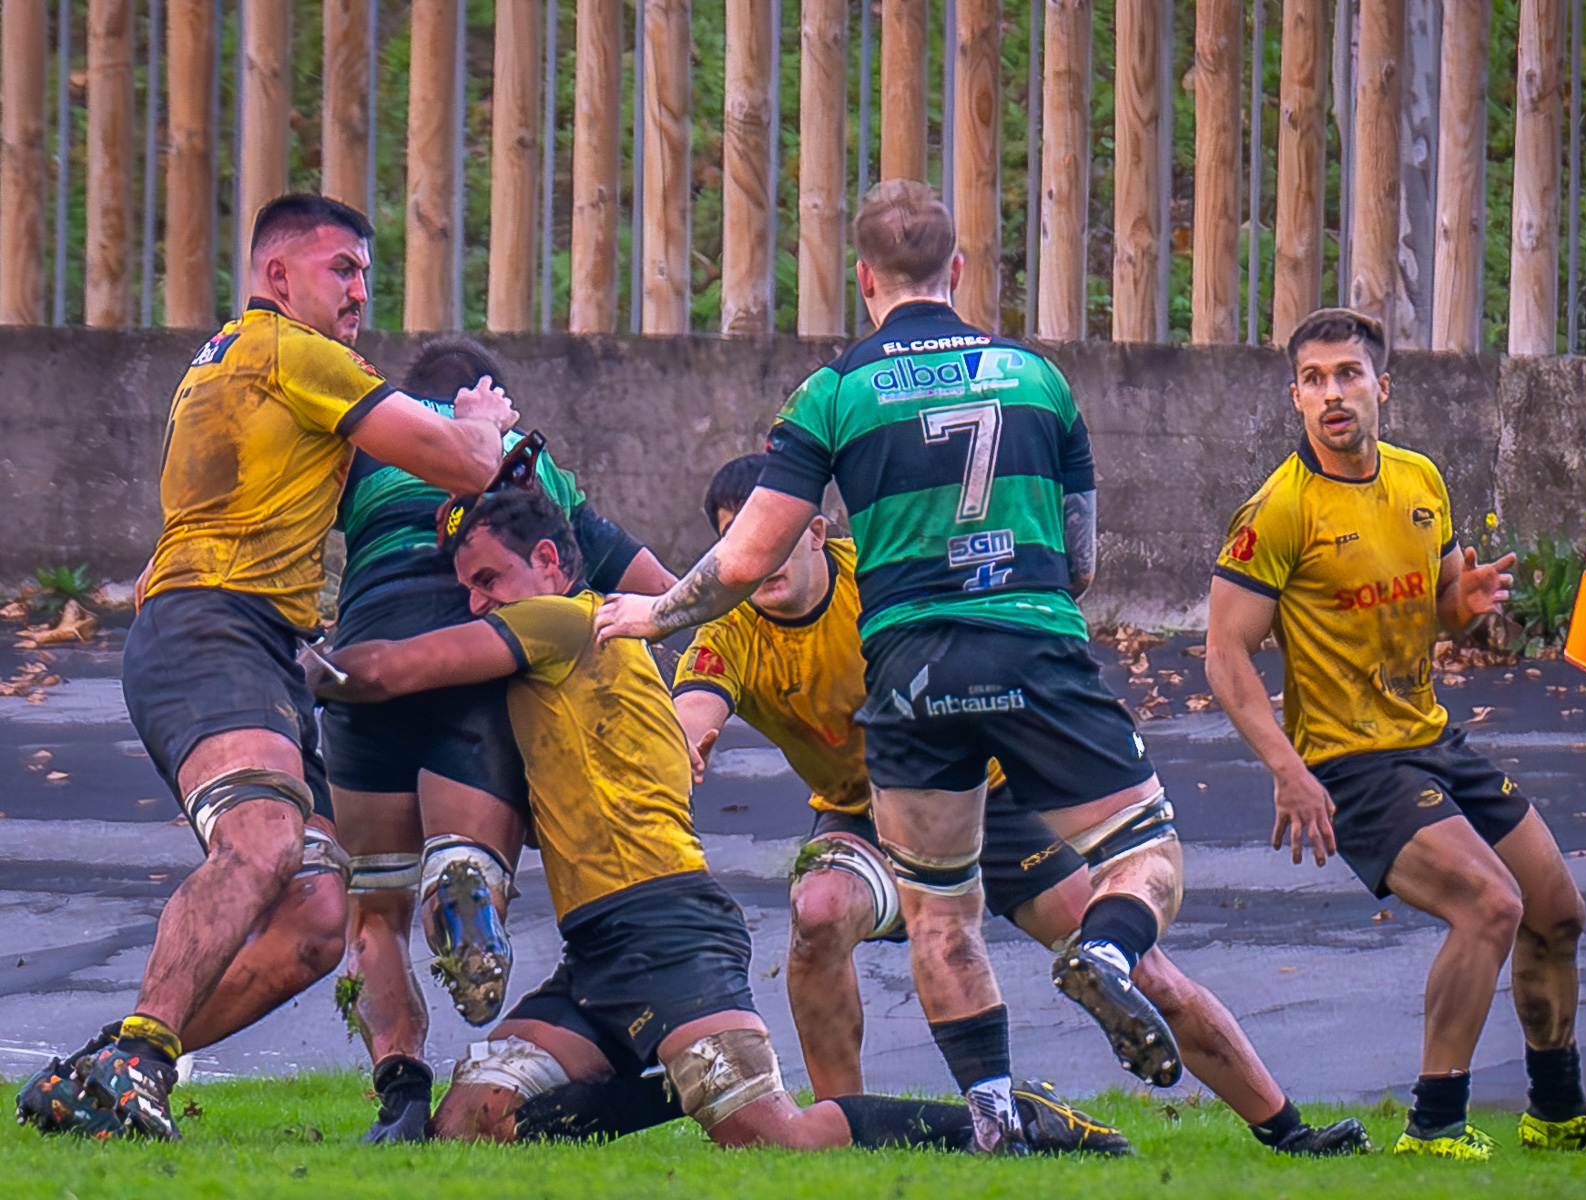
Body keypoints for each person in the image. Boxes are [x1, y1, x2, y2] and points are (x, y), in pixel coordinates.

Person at [595, 181, 1192, 1152]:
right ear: (957, 269)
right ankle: (1110, 954)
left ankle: (991, 1117)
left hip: (909, 674)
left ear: (863, 278)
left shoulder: (833, 392)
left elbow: (746, 557)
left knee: (940, 913)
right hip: (1029, 644)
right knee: (1145, 851)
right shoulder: (1036, 377)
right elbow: (1081, 560)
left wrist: (651, 614)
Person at [309, 490, 1127, 1155]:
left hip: (669, 928)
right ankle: (677, 1083)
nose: (477, 602)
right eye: (468, 589)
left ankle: (1008, 1124)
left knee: (775, 1137)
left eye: (489, 579)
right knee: (472, 1118)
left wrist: (286, 660)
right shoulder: (575, 644)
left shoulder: (561, 622)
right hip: (598, 949)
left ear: (550, 563)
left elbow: (382, 671)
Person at [658, 454, 1366, 1155]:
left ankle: (1288, 1130)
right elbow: (693, 707)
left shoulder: (879, 573)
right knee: (818, 911)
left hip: (985, 794)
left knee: (1132, 970)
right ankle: (850, 1132)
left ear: (815, 530)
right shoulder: (728, 630)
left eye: (772, 535)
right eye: (736, 542)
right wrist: (683, 743)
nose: (758, 558)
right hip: (865, 816)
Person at [15, 194, 520, 1142]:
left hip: (253, 643)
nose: (360, 290)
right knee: (259, 840)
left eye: (366, 273)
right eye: (342, 269)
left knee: (319, 920)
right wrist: (482, 417)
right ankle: (134, 1062)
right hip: (213, 629)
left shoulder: (230, 359)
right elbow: (466, 466)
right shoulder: (296, 352)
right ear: (277, 275)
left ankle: (107, 1067)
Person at [1203, 307, 1586, 1161]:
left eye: (1348, 374)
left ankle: (1557, 1113)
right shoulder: (1278, 510)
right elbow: (1224, 653)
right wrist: (1287, 769)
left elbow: (1443, 604)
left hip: (1429, 739)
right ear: (1295, 397)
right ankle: (1433, 1126)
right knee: (1491, 904)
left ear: (1382, 386)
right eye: (1313, 380)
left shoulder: (1419, 479)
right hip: (1349, 763)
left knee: (1557, 912)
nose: (1332, 394)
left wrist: (1466, 603)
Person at [323, 335, 676, 1142]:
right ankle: (467, 875)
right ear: (496, 399)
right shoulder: (529, 462)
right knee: (464, 852)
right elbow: (658, 588)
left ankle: (400, 1093)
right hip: (475, 649)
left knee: (375, 910)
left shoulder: (373, 446)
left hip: (368, 654)